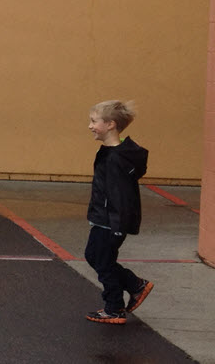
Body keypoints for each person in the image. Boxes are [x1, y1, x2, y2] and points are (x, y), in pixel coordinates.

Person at [83, 99, 153, 324]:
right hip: (104, 218)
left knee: (102, 261)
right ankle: (134, 285)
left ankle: (114, 307)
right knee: (95, 256)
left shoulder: (115, 159)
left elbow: (121, 196)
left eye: (94, 121)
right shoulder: (111, 153)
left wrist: (116, 227)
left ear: (111, 124)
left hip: (110, 222)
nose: (90, 126)